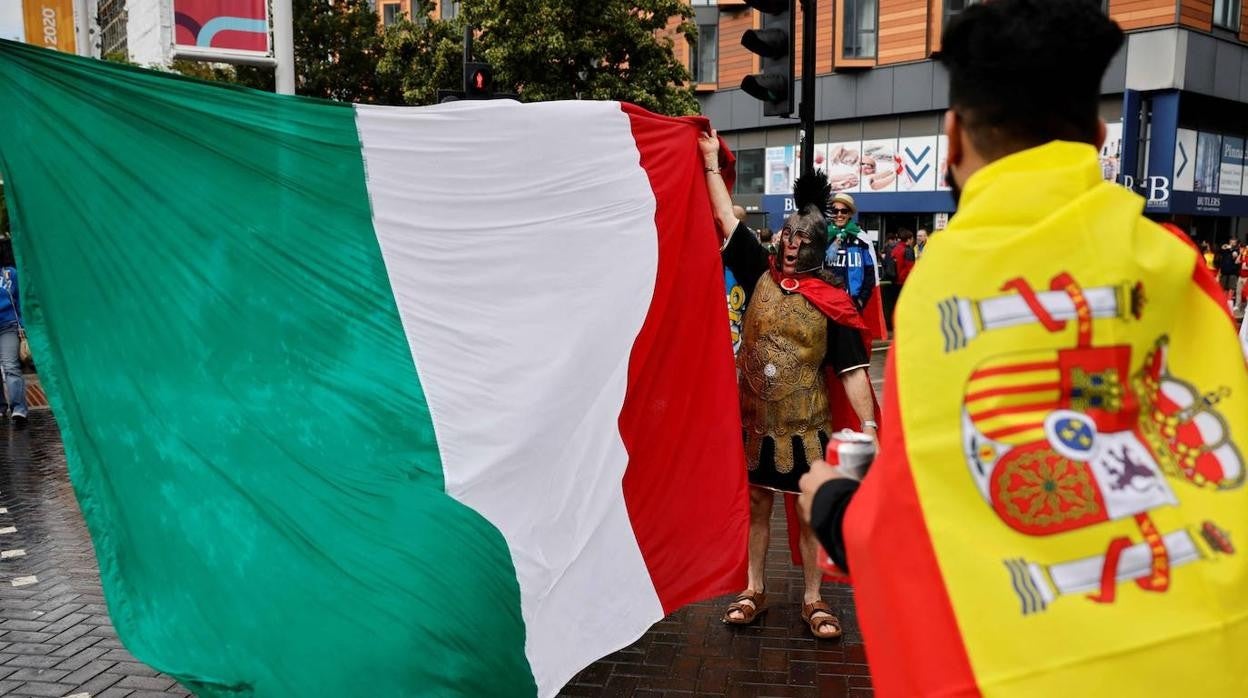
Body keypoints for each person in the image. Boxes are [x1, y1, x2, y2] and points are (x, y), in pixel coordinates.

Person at [797, 1, 1248, 695]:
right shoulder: (1177, 264)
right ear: (1097, 137)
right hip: (1211, 654)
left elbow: (926, 520)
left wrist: (830, 506)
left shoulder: (946, 284)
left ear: (952, 139)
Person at [699, 130, 878, 641]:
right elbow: (726, 221)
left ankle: (814, 598)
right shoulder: (759, 272)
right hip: (755, 421)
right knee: (756, 506)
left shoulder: (832, 302)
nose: (792, 245)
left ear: (818, 245)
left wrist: (868, 426)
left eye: (802, 240)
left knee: (807, 512)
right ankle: (753, 588)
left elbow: (851, 373)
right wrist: (712, 163)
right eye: (788, 236)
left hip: (808, 427)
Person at [824, 193, 877, 311]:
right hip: (827, 304)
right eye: (835, 211)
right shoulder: (824, 237)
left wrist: (861, 300)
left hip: (852, 304)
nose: (839, 214)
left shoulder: (862, 238)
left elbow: (870, 273)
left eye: (844, 211)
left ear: (850, 214)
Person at [0, 258, 26, 426]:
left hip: (8, 325)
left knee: (11, 366)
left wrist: (22, 325)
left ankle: (19, 408)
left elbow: (20, 300)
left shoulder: (10, 274)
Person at [1217, 239, 1240, 307]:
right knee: (1223, 291)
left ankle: (1229, 308)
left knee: (1231, 291)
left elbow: (1235, 255)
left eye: (1233, 243)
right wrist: (1223, 247)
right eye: (1231, 242)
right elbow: (1220, 251)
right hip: (1224, 274)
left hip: (1232, 274)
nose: (1232, 244)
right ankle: (1223, 306)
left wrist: (1231, 249)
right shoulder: (1225, 251)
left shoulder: (1237, 251)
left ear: (1236, 244)